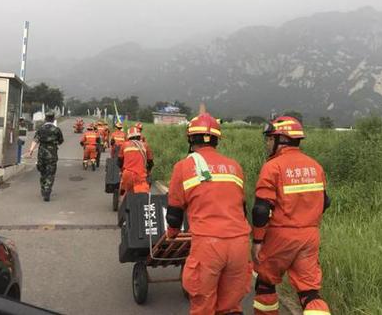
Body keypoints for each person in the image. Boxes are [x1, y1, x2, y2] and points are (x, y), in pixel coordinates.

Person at [165, 113, 252, 315]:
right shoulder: (234, 167)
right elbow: (243, 208)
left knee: (203, 304)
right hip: (239, 243)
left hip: (209, 246)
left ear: (190, 139)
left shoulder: (183, 167)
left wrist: (172, 232)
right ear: (216, 140)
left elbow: (175, 212)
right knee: (231, 306)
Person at [251, 116, 331, 315]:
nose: (268, 143)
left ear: (281, 140)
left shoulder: (273, 167)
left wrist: (258, 241)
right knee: (310, 292)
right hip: (309, 237)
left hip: (280, 238)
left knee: (265, 285)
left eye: (270, 139)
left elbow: (261, 210)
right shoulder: (315, 166)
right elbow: (325, 202)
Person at [28, 111, 64, 202]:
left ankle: (43, 188)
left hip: (41, 154)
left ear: (45, 119)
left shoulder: (41, 129)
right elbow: (61, 141)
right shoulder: (56, 130)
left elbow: (35, 140)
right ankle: (47, 190)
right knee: (50, 173)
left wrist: (31, 150)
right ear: (53, 119)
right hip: (52, 155)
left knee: (43, 172)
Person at [117, 127, 153, 200]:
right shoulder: (145, 145)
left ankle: (123, 202)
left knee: (126, 194)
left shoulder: (124, 145)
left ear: (129, 136)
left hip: (127, 175)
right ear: (139, 136)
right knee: (143, 198)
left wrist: (122, 170)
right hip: (140, 176)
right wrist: (148, 172)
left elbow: (119, 161)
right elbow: (150, 162)